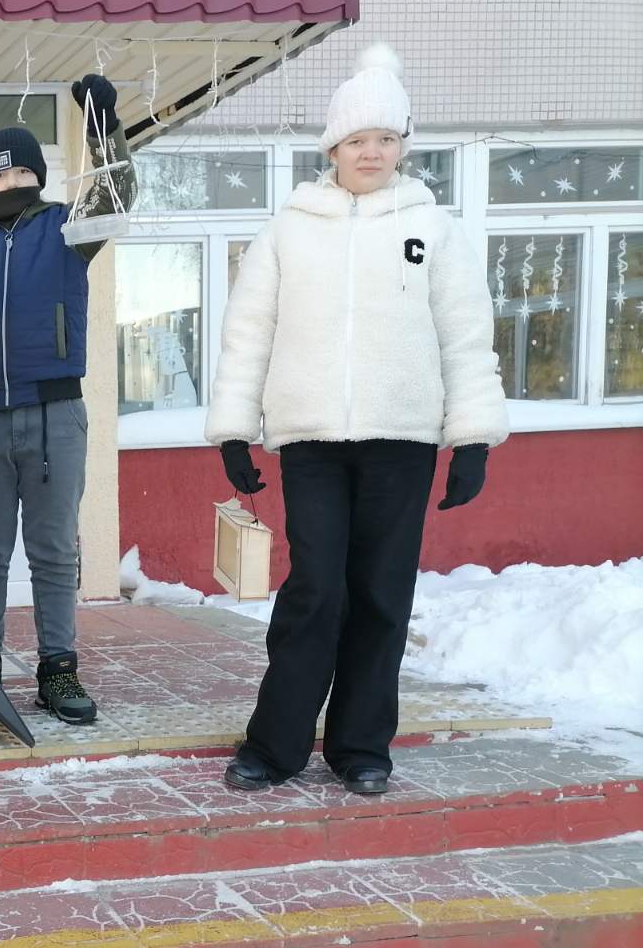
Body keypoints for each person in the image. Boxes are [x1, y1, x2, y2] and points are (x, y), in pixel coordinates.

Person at [205, 46, 508, 796]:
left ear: (403, 145)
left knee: (380, 593)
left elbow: (465, 335)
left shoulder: (433, 227)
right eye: (356, 139)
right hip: (310, 439)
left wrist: (471, 438)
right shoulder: (289, 229)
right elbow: (249, 331)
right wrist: (236, 429)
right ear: (332, 147)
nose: (371, 152)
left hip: (401, 440)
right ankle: (274, 746)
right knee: (315, 590)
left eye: (385, 138)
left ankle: (361, 747)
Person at [0, 74, 138, 725]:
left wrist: (104, 127)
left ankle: (57, 669)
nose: (9, 183)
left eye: (20, 173)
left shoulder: (68, 230)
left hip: (54, 415)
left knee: (54, 551)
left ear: (38, 177)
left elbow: (117, 192)